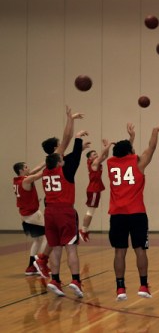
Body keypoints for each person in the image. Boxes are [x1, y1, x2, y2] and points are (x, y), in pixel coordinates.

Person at [107, 125, 159, 301]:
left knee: (119, 252)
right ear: (130, 152)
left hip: (117, 214)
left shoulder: (110, 163)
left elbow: (122, 153)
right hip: (137, 213)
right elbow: (151, 148)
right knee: (140, 249)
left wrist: (130, 139)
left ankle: (120, 288)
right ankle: (143, 285)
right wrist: (154, 131)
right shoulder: (138, 163)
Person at [26, 128, 88, 297]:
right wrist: (78, 139)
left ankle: (55, 280)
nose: (64, 159)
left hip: (49, 213)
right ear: (59, 162)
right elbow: (74, 155)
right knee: (71, 248)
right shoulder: (66, 171)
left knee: (55, 247)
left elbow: (70, 156)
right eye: (62, 158)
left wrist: (79, 146)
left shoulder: (45, 172)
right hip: (65, 212)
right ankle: (75, 280)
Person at [33, 106, 84, 279]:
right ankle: (44, 261)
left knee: (55, 240)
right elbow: (67, 137)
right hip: (61, 205)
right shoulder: (58, 156)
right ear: (57, 148)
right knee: (64, 243)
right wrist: (71, 119)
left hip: (50, 204)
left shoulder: (49, 163)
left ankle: (43, 260)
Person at [79, 124, 134, 242]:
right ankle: (83, 230)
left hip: (96, 189)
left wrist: (106, 147)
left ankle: (84, 230)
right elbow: (102, 156)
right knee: (90, 210)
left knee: (91, 210)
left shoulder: (97, 163)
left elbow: (105, 156)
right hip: (93, 189)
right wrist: (108, 145)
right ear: (89, 159)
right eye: (94, 155)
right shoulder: (93, 164)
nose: (97, 155)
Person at [13, 161, 47, 275]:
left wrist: (45, 162)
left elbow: (36, 170)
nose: (29, 168)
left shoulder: (17, 180)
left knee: (37, 240)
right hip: (32, 214)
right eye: (26, 167)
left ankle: (31, 266)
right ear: (21, 170)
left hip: (24, 215)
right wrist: (51, 165)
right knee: (46, 238)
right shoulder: (26, 180)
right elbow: (39, 175)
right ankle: (42, 264)